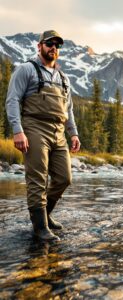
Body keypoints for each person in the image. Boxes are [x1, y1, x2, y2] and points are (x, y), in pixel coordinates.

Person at [6, 30, 80, 241]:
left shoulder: (63, 78)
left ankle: (45, 215)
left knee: (64, 178)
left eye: (57, 45)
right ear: (39, 46)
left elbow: (69, 109)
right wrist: (18, 130)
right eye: (49, 44)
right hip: (34, 127)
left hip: (59, 132)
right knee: (37, 179)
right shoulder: (26, 70)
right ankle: (40, 228)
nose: (53, 48)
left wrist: (73, 133)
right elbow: (12, 100)